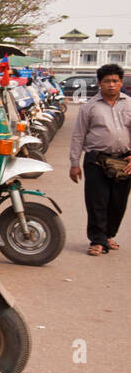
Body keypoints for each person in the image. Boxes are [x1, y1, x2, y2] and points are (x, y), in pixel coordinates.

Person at [69, 63, 131, 255]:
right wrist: (74, 164)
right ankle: (97, 241)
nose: (111, 85)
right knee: (97, 201)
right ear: (99, 83)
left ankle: (109, 235)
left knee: (118, 202)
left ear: (121, 83)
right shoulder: (89, 107)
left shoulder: (129, 103)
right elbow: (78, 135)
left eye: (115, 81)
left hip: (124, 161)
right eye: (107, 81)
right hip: (96, 160)